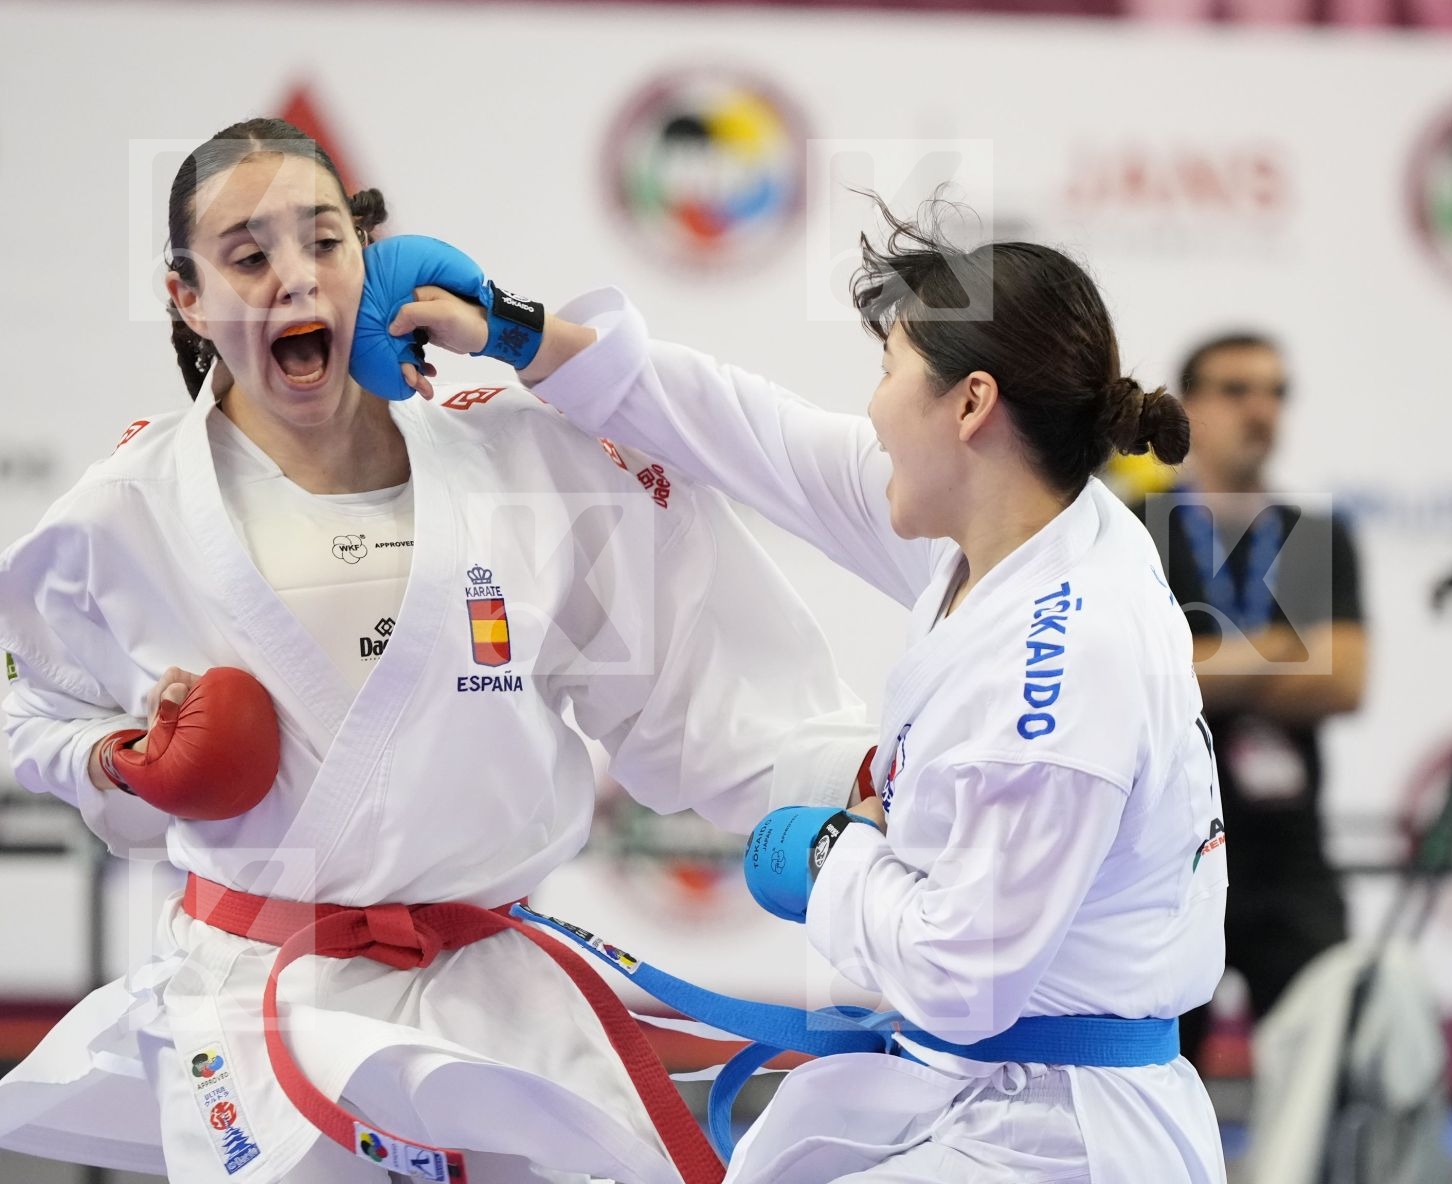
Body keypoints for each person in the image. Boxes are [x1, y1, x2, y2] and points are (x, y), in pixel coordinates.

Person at [0, 118, 873, 1184]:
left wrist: (869, 789)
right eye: (247, 256)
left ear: (369, 255)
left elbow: (704, 690)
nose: (293, 279)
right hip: (258, 1000)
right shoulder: (125, 513)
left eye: (323, 241)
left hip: (492, 996)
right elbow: (19, 704)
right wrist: (103, 755)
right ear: (185, 297)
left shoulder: (518, 461)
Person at [379, 203, 1233, 1182]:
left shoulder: (1064, 662)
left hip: (1061, 1139)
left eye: (889, 373)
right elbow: (754, 437)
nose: (872, 409)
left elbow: (965, 977)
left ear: (970, 405)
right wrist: (516, 331)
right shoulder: (1019, 533)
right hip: (986, 1089)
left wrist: (829, 858)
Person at [1132, 332, 1366, 1068]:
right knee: (1154, 1090)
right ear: (1189, 406)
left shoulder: (1314, 534)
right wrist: (1286, 647)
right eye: (1237, 390)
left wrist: (1198, 664)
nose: (1261, 409)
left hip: (1287, 855)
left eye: (1275, 391)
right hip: (1162, 857)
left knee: (1324, 1083)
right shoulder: (1133, 530)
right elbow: (1142, 684)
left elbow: (1345, 679)